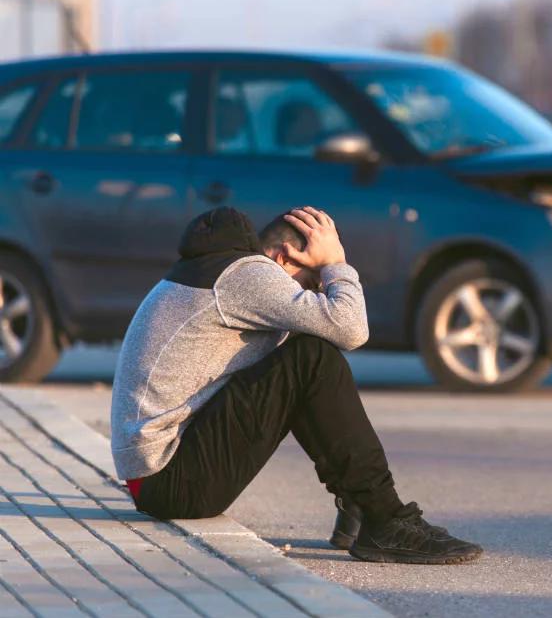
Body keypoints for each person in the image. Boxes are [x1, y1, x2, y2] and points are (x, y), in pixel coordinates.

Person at [110, 206, 481, 564]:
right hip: (171, 481)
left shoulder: (214, 271)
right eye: (309, 283)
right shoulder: (247, 275)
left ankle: (360, 507)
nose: (313, 295)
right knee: (311, 357)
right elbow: (352, 329)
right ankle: (384, 518)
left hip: (159, 478)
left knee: (302, 352)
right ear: (284, 256)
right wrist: (336, 264)